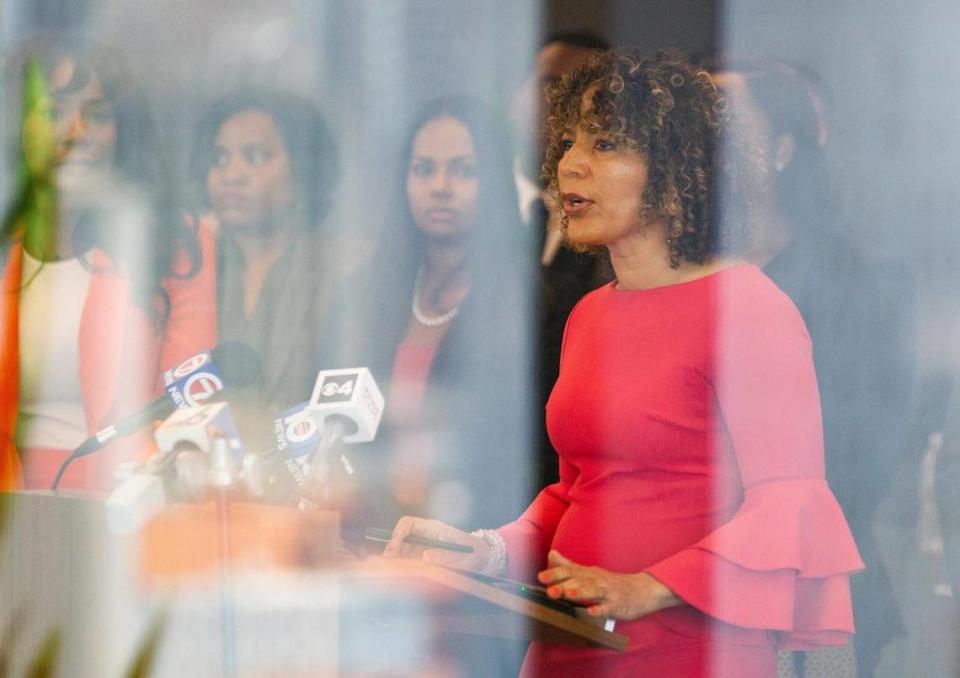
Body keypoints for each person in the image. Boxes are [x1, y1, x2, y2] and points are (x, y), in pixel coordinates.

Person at [385, 49, 863, 677]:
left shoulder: (748, 307)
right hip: (570, 645)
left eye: (606, 144)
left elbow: (786, 506)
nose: (569, 165)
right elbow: (577, 495)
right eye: (567, 143)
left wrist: (648, 586)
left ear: (677, 169)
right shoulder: (589, 314)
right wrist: (486, 551)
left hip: (689, 653)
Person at [712, 59, 912, 677]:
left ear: (781, 149)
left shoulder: (842, 282)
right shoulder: (678, 268)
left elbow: (862, 457)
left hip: (800, 593)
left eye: (725, 127)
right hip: (695, 582)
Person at [0, 38, 215, 491]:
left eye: (97, 114)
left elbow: (188, 407)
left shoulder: (171, 240)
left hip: (123, 501)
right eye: (55, 113)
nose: (78, 130)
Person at [326, 95, 532, 535]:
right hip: (370, 526)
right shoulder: (370, 290)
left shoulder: (523, 300)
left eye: (463, 170)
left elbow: (511, 448)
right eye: (423, 169)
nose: (440, 185)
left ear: (493, 180)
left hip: (473, 536)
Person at [508, 30, 615, 495]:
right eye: (550, 85)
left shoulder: (619, 260)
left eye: (602, 137)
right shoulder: (479, 211)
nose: (560, 104)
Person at [190, 88, 340, 412]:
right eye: (219, 159)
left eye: (256, 157)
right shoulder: (191, 268)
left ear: (301, 172)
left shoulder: (337, 270)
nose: (232, 175)